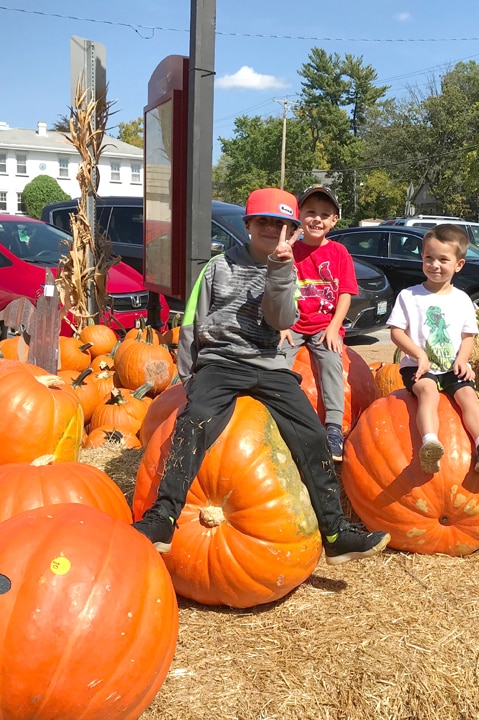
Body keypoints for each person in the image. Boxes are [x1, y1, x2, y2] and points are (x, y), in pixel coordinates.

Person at [132, 187, 390, 565]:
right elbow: (192, 319)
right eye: (264, 221)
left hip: (269, 364)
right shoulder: (218, 267)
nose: (272, 229)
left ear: (292, 229)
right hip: (221, 363)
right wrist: (189, 375)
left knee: (313, 435)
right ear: (249, 224)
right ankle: (163, 518)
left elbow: (281, 318)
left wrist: (281, 273)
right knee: (194, 421)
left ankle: (335, 531)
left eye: (281, 224)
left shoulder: (288, 267)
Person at [387, 224, 479, 475]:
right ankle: (430, 444)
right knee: (428, 391)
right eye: (428, 258)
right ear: (422, 258)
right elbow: (396, 332)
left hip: (452, 366)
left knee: (469, 397)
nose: (434, 265)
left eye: (443, 259)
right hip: (418, 366)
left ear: (459, 265)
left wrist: (463, 361)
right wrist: (419, 354)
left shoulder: (462, 299)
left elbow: (468, 336)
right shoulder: (409, 296)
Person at [280, 185, 357, 461]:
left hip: (325, 325)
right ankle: (277, 418)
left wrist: (334, 327)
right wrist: (282, 325)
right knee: (276, 364)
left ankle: (334, 428)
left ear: (334, 220)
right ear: (300, 215)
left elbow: (346, 293)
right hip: (293, 324)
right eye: (311, 212)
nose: (317, 219)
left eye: (324, 214)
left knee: (332, 365)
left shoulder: (338, 253)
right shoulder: (290, 251)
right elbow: (278, 289)